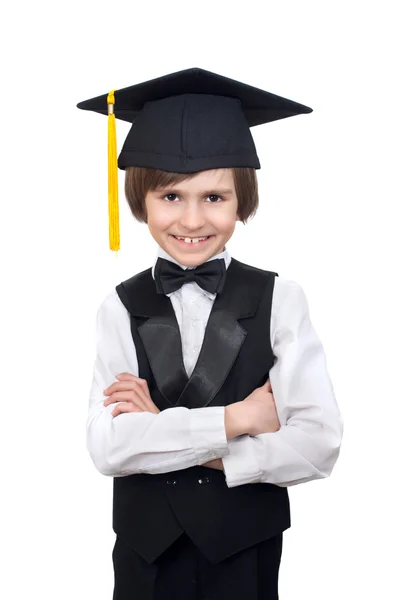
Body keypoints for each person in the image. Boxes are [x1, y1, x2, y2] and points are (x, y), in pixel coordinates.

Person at [78, 68, 344, 600]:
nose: (192, 218)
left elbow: (318, 444)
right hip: (144, 562)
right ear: (140, 201)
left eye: (215, 197)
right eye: (170, 197)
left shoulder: (280, 299)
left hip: (245, 557)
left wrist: (168, 431)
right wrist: (237, 420)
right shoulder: (120, 306)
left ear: (242, 199)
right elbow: (108, 448)